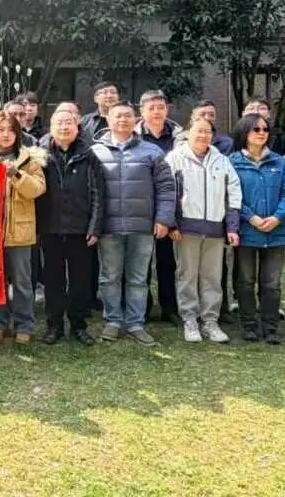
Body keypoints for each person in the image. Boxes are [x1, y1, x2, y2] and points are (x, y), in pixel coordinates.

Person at [91, 103, 175, 347]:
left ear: (136, 120)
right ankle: (113, 321)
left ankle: (136, 323)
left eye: (128, 116)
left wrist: (163, 219)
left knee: (138, 279)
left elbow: (166, 188)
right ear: (108, 120)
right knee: (109, 277)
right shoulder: (95, 152)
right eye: (118, 116)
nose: (123, 120)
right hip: (108, 227)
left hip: (142, 227)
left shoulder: (151, 151)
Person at [165, 117, 242, 344]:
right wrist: (172, 223)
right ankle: (190, 319)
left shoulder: (222, 161)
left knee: (212, 277)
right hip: (186, 229)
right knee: (187, 276)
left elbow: (233, 193)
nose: (203, 135)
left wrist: (232, 226)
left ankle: (210, 321)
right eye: (198, 131)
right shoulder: (175, 158)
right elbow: (167, 192)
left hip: (215, 230)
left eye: (207, 131)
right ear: (188, 133)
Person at [36, 106, 104, 346]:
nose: (64, 127)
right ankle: (54, 325)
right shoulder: (40, 156)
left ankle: (79, 325)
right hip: (50, 229)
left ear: (77, 127)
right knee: (53, 280)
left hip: (80, 230)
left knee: (80, 281)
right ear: (51, 128)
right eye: (59, 123)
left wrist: (95, 227)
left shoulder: (89, 155)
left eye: (69, 123)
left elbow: (98, 194)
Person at [230, 113, 285, 344]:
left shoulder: (280, 162)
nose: (261, 133)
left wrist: (278, 217)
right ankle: (249, 325)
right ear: (244, 132)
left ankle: (270, 327)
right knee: (245, 280)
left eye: (265, 129)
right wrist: (251, 217)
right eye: (256, 129)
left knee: (272, 283)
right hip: (247, 230)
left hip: (276, 231)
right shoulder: (232, 162)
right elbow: (231, 195)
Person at [0, 110, 46, 344]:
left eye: (11, 130)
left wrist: (16, 175)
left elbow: (37, 189)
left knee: (22, 281)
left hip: (19, 231)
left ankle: (24, 325)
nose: (6, 134)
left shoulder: (29, 159)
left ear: (18, 134)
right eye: (0, 130)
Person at [136, 89, 185, 325]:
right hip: (142, 206)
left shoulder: (179, 138)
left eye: (161, 107)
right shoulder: (134, 137)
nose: (157, 112)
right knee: (141, 262)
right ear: (142, 111)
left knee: (168, 262)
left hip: (169, 207)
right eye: (151, 108)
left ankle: (170, 308)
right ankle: (142, 308)